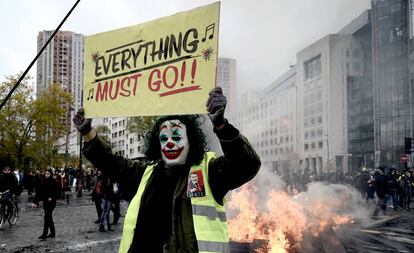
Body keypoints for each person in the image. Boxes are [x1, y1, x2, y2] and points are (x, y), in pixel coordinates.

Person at [73, 87, 261, 253]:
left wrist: (222, 125)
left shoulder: (209, 171)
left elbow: (247, 165)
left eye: (177, 136)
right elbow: (113, 163)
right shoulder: (147, 173)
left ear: (191, 141)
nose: (169, 143)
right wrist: (88, 133)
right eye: (164, 139)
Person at [32, 169, 61, 240]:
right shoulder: (43, 181)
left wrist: (52, 197)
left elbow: (58, 192)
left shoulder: (54, 182)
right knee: (49, 217)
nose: (46, 175)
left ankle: (44, 234)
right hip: (45, 202)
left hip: (51, 203)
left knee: (47, 217)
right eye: (46, 173)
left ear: (51, 174)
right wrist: (35, 201)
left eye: (48, 173)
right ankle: (53, 232)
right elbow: (39, 193)